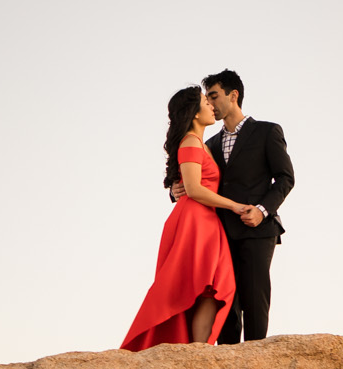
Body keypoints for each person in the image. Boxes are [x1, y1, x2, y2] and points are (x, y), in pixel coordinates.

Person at [121, 86, 243, 350]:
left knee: (212, 289)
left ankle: (198, 351)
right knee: (204, 287)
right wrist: (235, 206)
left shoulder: (202, 144)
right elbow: (195, 189)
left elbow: (190, 186)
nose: (211, 106)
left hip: (206, 222)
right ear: (194, 113)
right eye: (205, 102)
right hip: (194, 222)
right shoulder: (190, 141)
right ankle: (195, 351)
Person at [200, 69, 293, 343]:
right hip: (221, 233)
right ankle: (227, 365)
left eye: (214, 96)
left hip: (258, 230)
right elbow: (197, 179)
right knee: (225, 301)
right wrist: (174, 189)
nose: (210, 104)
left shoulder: (267, 131)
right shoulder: (210, 144)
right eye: (207, 99)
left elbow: (286, 178)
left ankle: (256, 361)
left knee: (254, 298)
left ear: (234, 95)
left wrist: (261, 211)